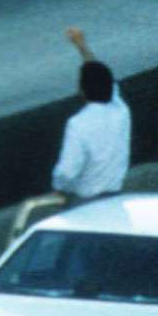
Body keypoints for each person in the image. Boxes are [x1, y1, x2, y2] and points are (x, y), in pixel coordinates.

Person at [51, 26, 130, 202]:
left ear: (81, 90)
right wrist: (81, 45)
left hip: (85, 202)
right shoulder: (121, 111)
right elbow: (99, 76)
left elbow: (67, 171)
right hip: (116, 199)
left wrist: (59, 187)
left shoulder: (78, 124)